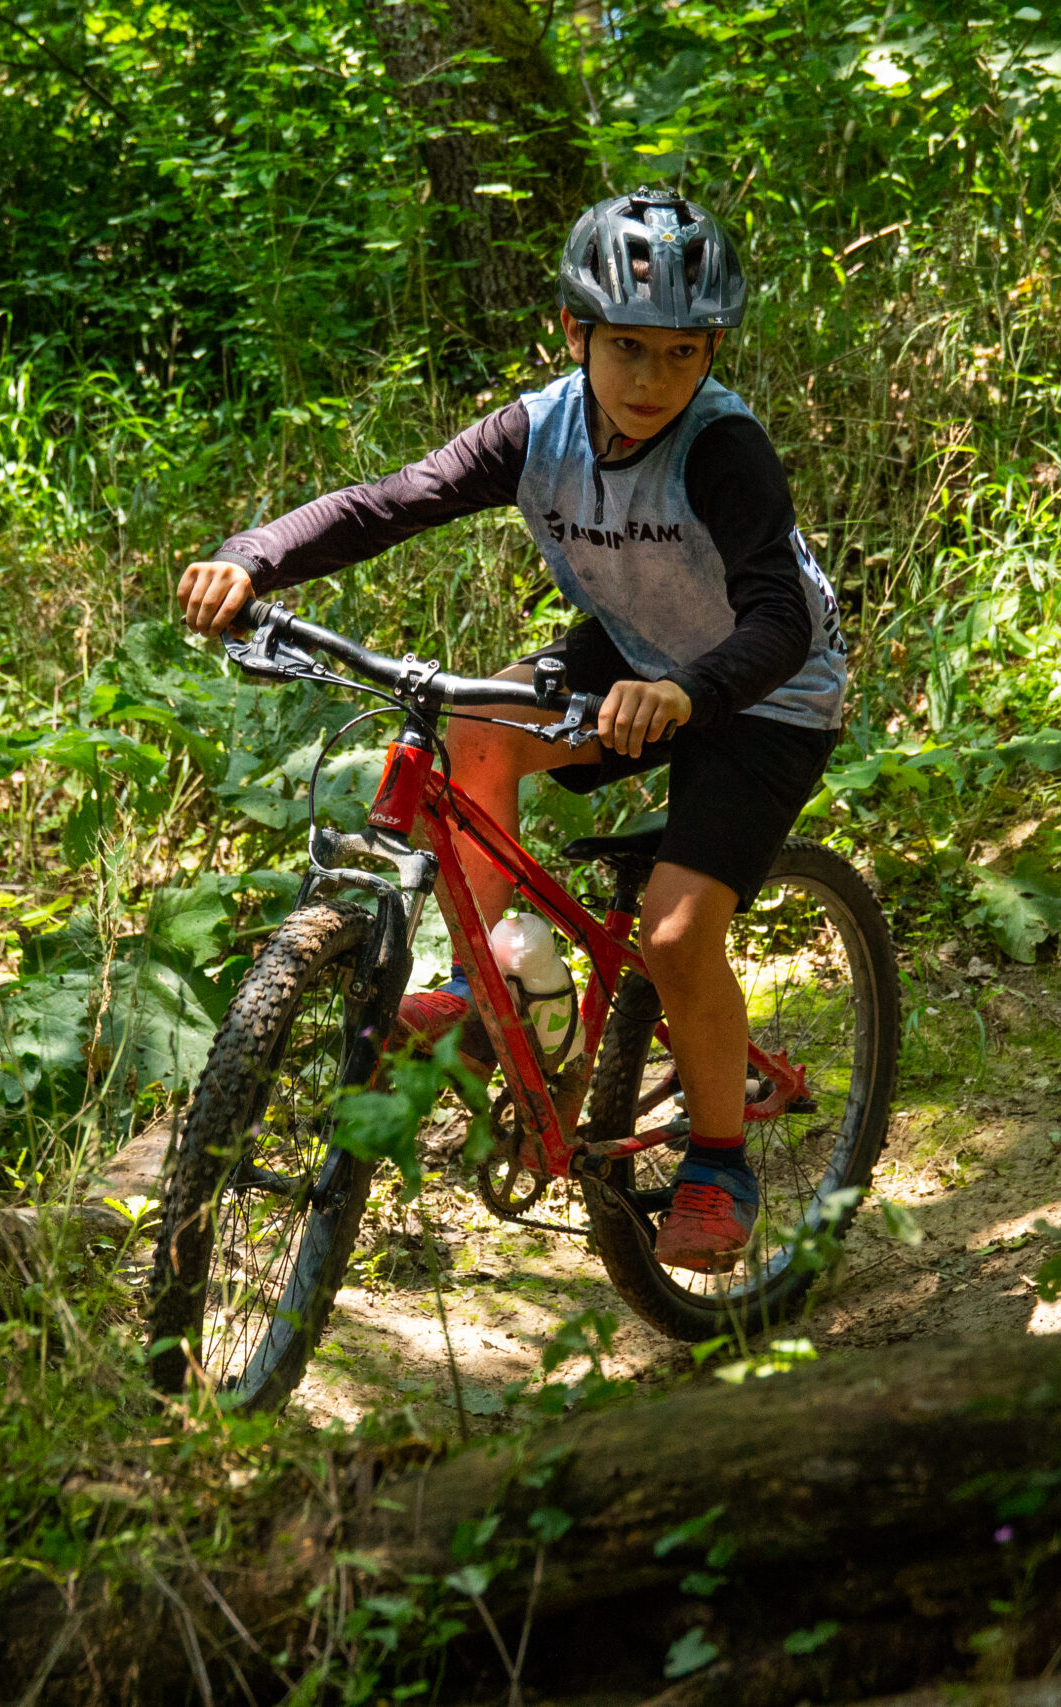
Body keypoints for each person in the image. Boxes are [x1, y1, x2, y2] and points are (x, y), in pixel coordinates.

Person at [176, 188, 847, 1274]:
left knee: (676, 935)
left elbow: (778, 613)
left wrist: (690, 696)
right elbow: (391, 501)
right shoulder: (538, 430)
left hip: (764, 691)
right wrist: (255, 556)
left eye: (680, 355)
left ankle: (721, 1160)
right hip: (635, 653)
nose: (649, 379)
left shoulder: (723, 449)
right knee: (473, 726)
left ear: (710, 352)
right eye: (625, 348)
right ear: (573, 333)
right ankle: (473, 987)